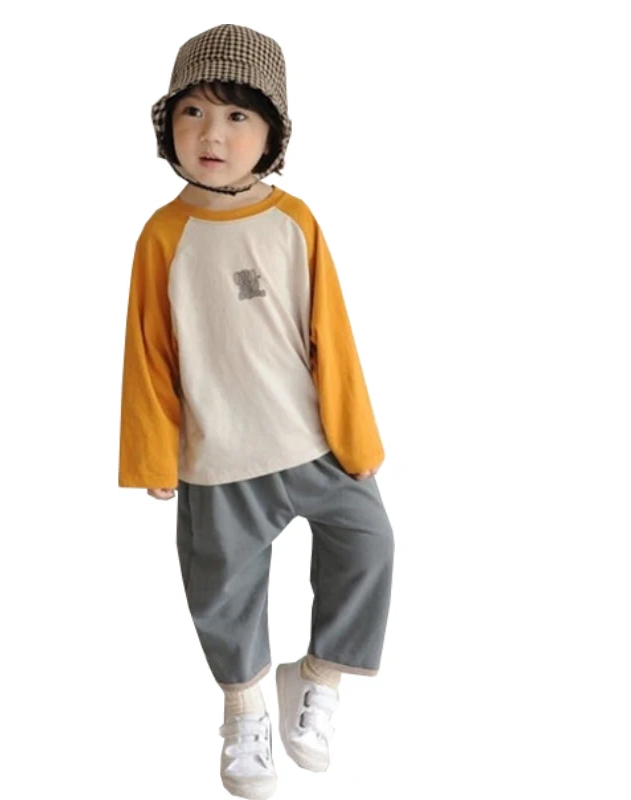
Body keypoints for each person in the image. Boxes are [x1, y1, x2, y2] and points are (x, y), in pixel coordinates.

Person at [118, 23, 395, 800]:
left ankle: (318, 677)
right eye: (193, 112)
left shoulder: (294, 221)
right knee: (223, 590)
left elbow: (331, 335)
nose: (213, 134)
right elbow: (148, 352)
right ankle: (244, 712)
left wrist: (357, 440)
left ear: (272, 135)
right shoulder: (163, 235)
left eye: (238, 115)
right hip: (219, 455)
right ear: (168, 126)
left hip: (312, 441)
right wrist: (154, 454)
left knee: (370, 544)